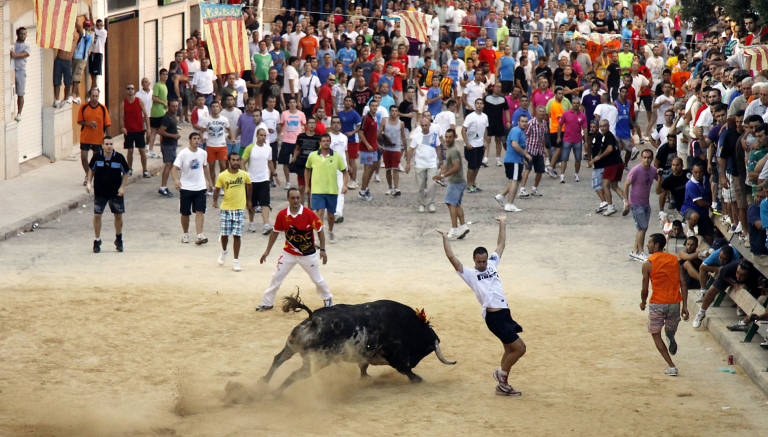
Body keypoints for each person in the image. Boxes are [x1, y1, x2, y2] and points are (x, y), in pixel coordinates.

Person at [438, 215, 526, 396]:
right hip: (494, 318)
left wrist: (502, 222)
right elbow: (451, 257)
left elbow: (501, 245)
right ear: (474, 260)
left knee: (509, 349)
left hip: (505, 314)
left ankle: (502, 385)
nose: (482, 264)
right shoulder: (470, 274)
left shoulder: (493, 264)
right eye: (479, 262)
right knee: (520, 348)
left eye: (484, 261)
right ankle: (501, 375)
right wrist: (446, 239)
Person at [256, 187, 333, 311]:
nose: (296, 201)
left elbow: (320, 230)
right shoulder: (282, 215)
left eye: (298, 198)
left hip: (308, 255)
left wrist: (322, 249)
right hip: (289, 253)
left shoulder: (309, 213)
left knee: (317, 279)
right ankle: (267, 303)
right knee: (277, 277)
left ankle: (328, 299)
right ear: (288, 199)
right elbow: (275, 233)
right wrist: (267, 251)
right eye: (293, 198)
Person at [640, 233, 689, 377]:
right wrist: (684, 306)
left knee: (655, 334)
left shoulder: (648, 263)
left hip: (657, 303)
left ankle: (671, 366)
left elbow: (645, 289)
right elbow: (683, 283)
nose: (647, 245)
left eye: (649, 243)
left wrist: (643, 302)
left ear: (656, 245)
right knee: (670, 329)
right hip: (674, 302)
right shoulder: (674, 259)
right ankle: (670, 336)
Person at [85, 136, 128, 253]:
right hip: (100, 191)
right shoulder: (97, 157)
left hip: (115, 192)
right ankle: (97, 240)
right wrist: (89, 182)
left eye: (111, 144)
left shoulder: (119, 158)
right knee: (97, 215)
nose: (109, 146)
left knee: (118, 215)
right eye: (107, 144)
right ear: (102, 145)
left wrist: (122, 187)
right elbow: (91, 170)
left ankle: (119, 239)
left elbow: (125, 173)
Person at [305, 133, 348, 242]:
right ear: (320, 143)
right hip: (317, 190)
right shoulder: (313, 155)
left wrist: (344, 185)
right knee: (320, 212)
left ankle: (331, 231)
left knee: (331, 215)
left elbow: (344, 171)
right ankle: (320, 236)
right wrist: (307, 185)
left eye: (328, 141)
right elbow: (307, 169)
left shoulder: (336, 156)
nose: (326, 143)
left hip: (332, 190)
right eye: (323, 141)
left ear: (330, 142)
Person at [213, 152, 252, 272]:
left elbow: (249, 186)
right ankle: (224, 251)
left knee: (237, 235)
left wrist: (249, 201)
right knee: (224, 234)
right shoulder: (222, 176)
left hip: (239, 208)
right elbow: (217, 189)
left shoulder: (244, 175)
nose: (236, 162)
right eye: (233, 160)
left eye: (237, 160)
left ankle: (236, 261)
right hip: (226, 208)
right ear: (229, 161)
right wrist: (215, 200)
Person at [172, 132, 212, 245]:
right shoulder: (183, 153)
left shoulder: (203, 153)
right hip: (186, 187)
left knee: (200, 211)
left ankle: (200, 234)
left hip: (200, 187)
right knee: (185, 213)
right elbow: (174, 169)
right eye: (194, 139)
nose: (197, 141)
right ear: (190, 140)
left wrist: (210, 182)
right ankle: (185, 234)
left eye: (198, 139)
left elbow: (205, 167)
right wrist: (176, 180)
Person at [693, 259, 758, 329]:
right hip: (728, 277)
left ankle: (741, 309)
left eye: (742, 275)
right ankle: (701, 312)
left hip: (744, 283)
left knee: (745, 290)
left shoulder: (754, 274)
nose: (738, 276)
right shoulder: (732, 266)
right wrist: (734, 283)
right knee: (711, 291)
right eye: (737, 272)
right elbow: (722, 272)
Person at [624, 149, 657, 261]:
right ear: (641, 158)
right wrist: (626, 202)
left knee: (642, 228)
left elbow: (660, 181)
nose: (647, 160)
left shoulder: (653, 170)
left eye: (649, 158)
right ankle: (641, 252)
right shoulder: (636, 170)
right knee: (642, 228)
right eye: (644, 157)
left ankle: (634, 251)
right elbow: (626, 185)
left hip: (646, 203)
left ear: (652, 158)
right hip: (636, 203)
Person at [242, 128, 275, 235]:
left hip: (264, 179)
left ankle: (266, 224)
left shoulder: (268, 148)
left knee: (265, 203)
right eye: (261, 135)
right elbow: (243, 162)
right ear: (257, 135)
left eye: (265, 135)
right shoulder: (250, 148)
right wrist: (245, 174)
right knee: (251, 203)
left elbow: (270, 162)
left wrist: (274, 173)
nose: (263, 137)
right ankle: (251, 223)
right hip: (251, 180)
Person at [590, 119, 626, 216]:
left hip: (611, 164)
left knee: (605, 185)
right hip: (616, 163)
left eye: (604, 126)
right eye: (601, 126)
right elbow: (617, 146)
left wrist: (598, 157)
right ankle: (625, 202)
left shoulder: (608, 136)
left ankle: (609, 206)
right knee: (614, 185)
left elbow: (609, 149)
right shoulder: (606, 136)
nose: (602, 128)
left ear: (608, 126)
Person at [197, 101, 234, 193]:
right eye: (213, 106)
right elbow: (201, 131)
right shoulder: (207, 120)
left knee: (223, 166)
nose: (215, 108)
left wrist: (232, 138)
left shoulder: (224, 119)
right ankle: (212, 186)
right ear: (211, 108)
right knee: (211, 167)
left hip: (221, 145)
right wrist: (202, 139)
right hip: (210, 146)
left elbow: (229, 129)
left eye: (217, 106)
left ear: (219, 107)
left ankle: (221, 186)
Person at [495, 115, 530, 212]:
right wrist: (526, 155)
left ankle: (501, 196)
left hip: (516, 160)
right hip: (513, 160)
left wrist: (523, 160)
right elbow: (514, 145)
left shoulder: (521, 132)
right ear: (518, 122)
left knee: (514, 180)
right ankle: (509, 204)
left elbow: (518, 147)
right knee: (515, 181)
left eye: (526, 121)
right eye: (522, 121)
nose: (524, 123)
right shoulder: (516, 131)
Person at [77, 88, 111, 186]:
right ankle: (88, 174)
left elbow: (107, 124)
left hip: (98, 139)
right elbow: (79, 121)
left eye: (96, 96)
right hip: (85, 137)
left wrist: (108, 138)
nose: (95, 98)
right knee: (84, 158)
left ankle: (91, 176)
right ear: (90, 96)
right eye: (93, 96)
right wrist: (88, 123)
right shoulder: (84, 107)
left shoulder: (103, 108)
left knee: (95, 160)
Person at [407, 115, 441, 213]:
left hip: (432, 163)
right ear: (420, 126)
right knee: (420, 185)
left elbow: (438, 147)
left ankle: (431, 203)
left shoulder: (434, 135)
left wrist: (440, 160)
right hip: (420, 164)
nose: (425, 127)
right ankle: (421, 204)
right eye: (423, 125)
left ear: (429, 125)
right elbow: (411, 149)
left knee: (432, 185)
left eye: (426, 125)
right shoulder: (416, 136)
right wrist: (408, 163)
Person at [120, 83, 150, 178]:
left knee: (142, 151)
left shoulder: (139, 101)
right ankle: (129, 169)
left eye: (132, 89)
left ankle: (145, 170)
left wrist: (148, 128)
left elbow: (146, 115)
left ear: (134, 90)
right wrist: (122, 127)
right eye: (128, 88)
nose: (130, 90)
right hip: (129, 131)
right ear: (126, 90)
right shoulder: (123, 103)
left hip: (139, 130)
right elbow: (121, 117)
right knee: (130, 150)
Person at [519, 106, 547, 198]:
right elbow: (524, 136)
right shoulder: (531, 123)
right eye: (540, 111)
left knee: (540, 171)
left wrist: (544, 149)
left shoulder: (544, 123)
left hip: (539, 151)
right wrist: (524, 151)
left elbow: (542, 137)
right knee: (527, 169)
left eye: (543, 112)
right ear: (536, 112)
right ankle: (522, 189)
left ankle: (534, 188)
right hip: (530, 150)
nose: (542, 113)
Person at [462, 98, 489, 193]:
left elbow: (485, 130)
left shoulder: (485, 117)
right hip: (471, 145)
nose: (479, 105)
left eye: (481, 103)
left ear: (483, 105)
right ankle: (468, 184)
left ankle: (473, 183)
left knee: (477, 166)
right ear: (475, 105)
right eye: (477, 103)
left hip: (480, 145)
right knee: (471, 166)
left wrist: (486, 142)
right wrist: (467, 143)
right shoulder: (470, 116)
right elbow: (463, 130)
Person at [379, 105, 407, 196]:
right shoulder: (384, 121)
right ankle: (390, 187)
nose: (394, 113)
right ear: (390, 111)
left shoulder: (401, 123)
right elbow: (379, 134)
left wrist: (406, 149)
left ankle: (396, 188)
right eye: (392, 111)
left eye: (395, 111)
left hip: (396, 148)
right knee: (388, 169)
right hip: (386, 148)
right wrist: (381, 144)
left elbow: (403, 136)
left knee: (395, 168)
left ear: (398, 112)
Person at [557, 100, 587, 183]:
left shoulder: (582, 115)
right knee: (564, 158)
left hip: (578, 140)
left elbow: (585, 128)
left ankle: (576, 174)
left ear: (579, 104)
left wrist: (586, 141)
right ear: (572, 104)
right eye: (574, 103)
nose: (576, 105)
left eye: (577, 103)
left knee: (578, 159)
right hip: (567, 139)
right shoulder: (566, 114)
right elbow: (560, 125)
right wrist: (559, 137)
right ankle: (562, 175)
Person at [157, 100, 181, 198]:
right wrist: (173, 136)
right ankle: (163, 187)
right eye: (173, 106)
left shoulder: (173, 116)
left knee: (170, 165)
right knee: (168, 165)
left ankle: (164, 186)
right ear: (168, 107)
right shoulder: (167, 118)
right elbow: (161, 131)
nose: (175, 108)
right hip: (168, 145)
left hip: (172, 144)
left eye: (176, 106)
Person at [358, 100, 380, 201]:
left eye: (376, 106)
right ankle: (362, 191)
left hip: (374, 147)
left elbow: (373, 134)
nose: (374, 108)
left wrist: (377, 144)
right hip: (366, 149)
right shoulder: (366, 118)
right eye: (373, 106)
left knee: (373, 167)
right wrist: (367, 145)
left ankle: (365, 187)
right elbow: (361, 133)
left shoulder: (374, 117)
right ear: (369, 107)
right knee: (367, 169)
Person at [328, 116, 349, 223]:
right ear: (331, 125)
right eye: (334, 123)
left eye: (338, 123)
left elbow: (345, 152)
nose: (336, 125)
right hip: (330, 168)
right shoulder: (328, 138)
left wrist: (348, 166)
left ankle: (338, 212)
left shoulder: (344, 138)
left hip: (342, 169)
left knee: (341, 189)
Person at [149, 68, 169, 159]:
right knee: (156, 132)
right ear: (160, 75)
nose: (165, 76)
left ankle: (161, 151)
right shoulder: (157, 85)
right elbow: (154, 97)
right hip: (157, 112)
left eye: (166, 74)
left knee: (160, 132)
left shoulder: (164, 85)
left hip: (163, 112)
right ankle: (151, 150)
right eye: (164, 74)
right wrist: (163, 103)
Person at [10, 27, 29, 121]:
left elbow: (25, 54)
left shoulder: (26, 46)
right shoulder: (13, 45)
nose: (23, 36)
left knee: (20, 93)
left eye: (25, 34)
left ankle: (19, 113)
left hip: (21, 72)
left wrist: (15, 55)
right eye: (21, 34)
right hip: (12, 71)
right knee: (11, 92)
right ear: (17, 34)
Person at [88, 19, 107, 90]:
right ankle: (93, 86)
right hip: (93, 52)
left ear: (103, 25)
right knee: (92, 72)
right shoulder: (96, 29)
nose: (99, 27)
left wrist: (93, 26)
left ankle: (94, 87)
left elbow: (92, 28)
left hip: (99, 53)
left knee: (95, 73)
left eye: (101, 25)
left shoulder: (103, 32)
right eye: (98, 25)